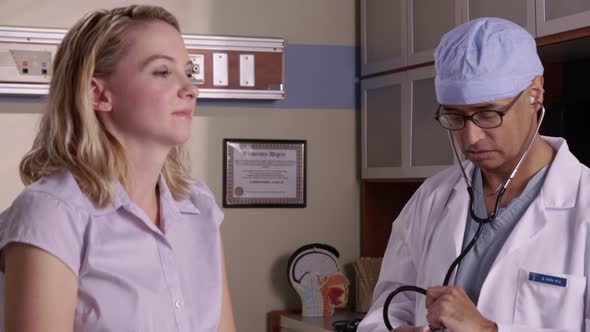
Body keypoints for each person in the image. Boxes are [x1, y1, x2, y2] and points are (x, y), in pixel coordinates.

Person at [0, 5, 236, 332]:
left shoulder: (198, 206)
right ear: (99, 94)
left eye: (189, 72)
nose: (191, 89)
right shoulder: (52, 213)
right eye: (163, 72)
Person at [358, 17, 590, 332]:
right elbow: (386, 308)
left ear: (535, 94)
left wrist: (487, 330)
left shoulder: (584, 204)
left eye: (487, 114)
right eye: (454, 116)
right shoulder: (432, 198)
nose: (470, 138)